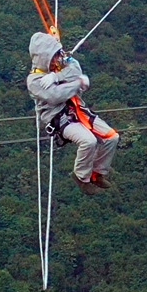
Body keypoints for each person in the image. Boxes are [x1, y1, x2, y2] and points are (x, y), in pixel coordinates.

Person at [26, 30, 119, 187]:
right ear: (44, 57)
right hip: (57, 118)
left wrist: (57, 76)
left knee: (112, 137)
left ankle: (97, 173)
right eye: (53, 56)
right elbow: (55, 96)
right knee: (88, 141)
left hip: (77, 109)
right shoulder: (34, 80)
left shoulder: (57, 66)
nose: (57, 58)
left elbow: (75, 69)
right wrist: (78, 84)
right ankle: (81, 177)